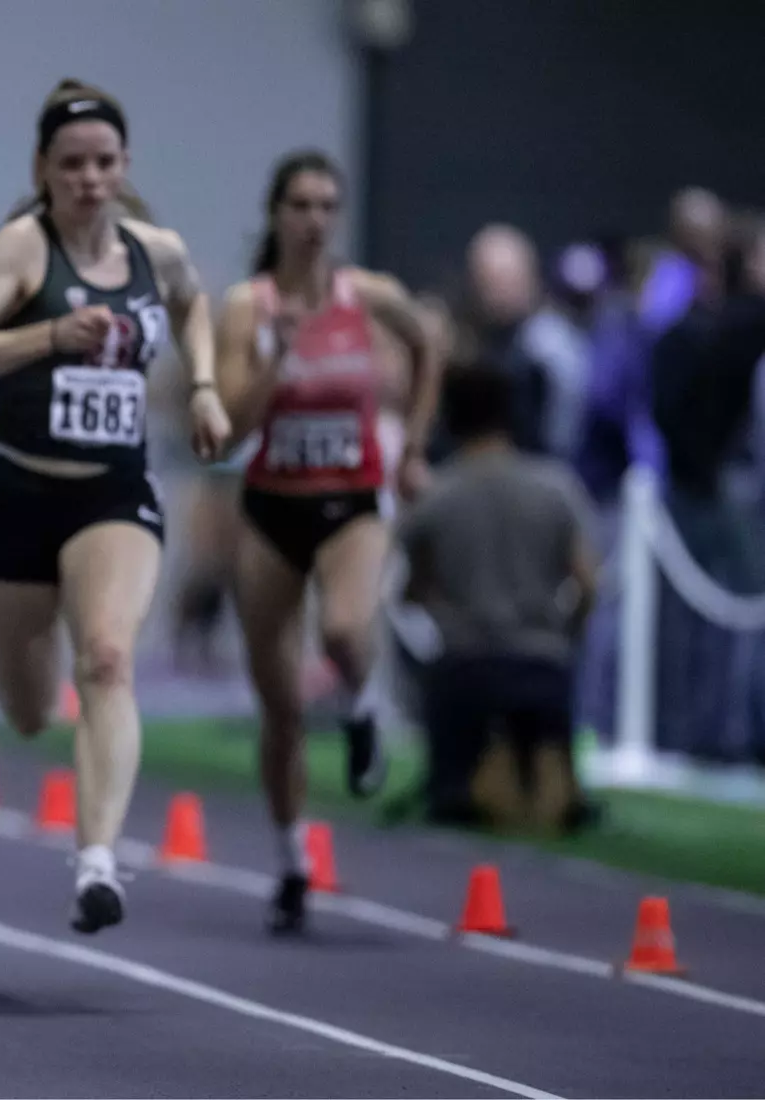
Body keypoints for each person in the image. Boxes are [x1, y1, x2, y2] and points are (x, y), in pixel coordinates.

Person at [0, 78, 230, 934]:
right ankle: (12, 661)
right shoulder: (22, 252)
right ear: (43, 169)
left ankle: (97, 862)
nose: (89, 179)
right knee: (28, 711)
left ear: (123, 166)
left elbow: (192, 301)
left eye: (103, 163)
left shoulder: (155, 251)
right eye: (72, 164)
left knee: (106, 658)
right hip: (19, 492)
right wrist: (48, 335)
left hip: (113, 490)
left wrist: (204, 385)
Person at [215, 149, 439, 934]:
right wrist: (273, 354)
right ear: (275, 215)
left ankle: (364, 704)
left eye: (325, 207)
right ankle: (291, 862)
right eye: (299, 206)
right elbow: (229, 430)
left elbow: (428, 344)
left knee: (345, 629)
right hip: (271, 506)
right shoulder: (247, 306)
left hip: (351, 502)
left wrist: (411, 446)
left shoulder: (367, 296)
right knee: (276, 706)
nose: (313, 221)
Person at [396, 363, 599, 829]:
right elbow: (588, 583)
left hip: (465, 666)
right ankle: (561, 785)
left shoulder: (437, 496)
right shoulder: (556, 488)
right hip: (541, 664)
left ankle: (455, 786)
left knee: (453, 797)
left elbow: (412, 590)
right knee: (549, 730)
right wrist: (564, 636)